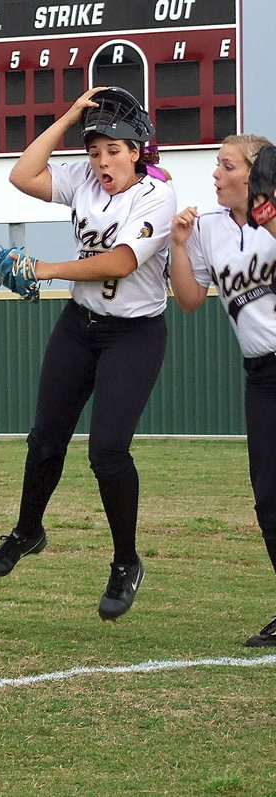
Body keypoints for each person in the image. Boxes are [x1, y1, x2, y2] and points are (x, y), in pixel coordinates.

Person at [0, 86, 177, 621]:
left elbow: (119, 262)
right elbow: (23, 174)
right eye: (95, 151)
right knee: (45, 439)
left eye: (114, 149)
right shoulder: (86, 181)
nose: (102, 160)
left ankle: (125, 561)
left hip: (134, 333)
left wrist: (44, 269)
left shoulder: (158, 194)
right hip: (79, 325)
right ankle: (28, 530)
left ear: (137, 150)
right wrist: (68, 116)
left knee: (107, 452)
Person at [168, 134, 276, 646]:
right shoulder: (208, 228)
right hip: (261, 375)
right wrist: (180, 246)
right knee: (269, 499)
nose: (214, 173)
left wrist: (268, 212)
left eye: (226, 165)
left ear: (254, 175)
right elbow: (189, 300)